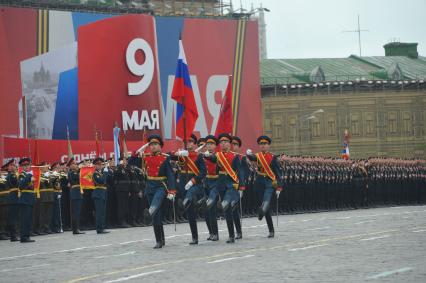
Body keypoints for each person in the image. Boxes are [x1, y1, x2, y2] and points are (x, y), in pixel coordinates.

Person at [204, 133, 245, 243]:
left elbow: (240, 171)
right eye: (221, 142)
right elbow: (212, 159)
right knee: (228, 211)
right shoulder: (217, 155)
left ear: (229, 143)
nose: (223, 144)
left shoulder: (235, 156)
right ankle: (232, 234)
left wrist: (241, 187)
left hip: (232, 185)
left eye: (226, 142)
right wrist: (206, 155)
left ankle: (235, 234)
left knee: (227, 205)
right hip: (221, 184)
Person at [141, 135, 176, 249]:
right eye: (151, 145)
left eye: (155, 144)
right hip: (150, 186)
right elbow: (132, 161)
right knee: (157, 215)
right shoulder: (145, 157)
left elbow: (170, 175)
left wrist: (172, 190)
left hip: (161, 186)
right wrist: (135, 154)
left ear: (160, 146)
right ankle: (160, 240)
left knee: (154, 206)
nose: (153, 146)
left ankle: (149, 213)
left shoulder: (166, 158)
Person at [171, 134, 206, 245]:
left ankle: (190, 203)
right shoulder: (182, 155)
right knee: (190, 214)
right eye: (187, 141)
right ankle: (194, 237)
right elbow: (168, 156)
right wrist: (176, 153)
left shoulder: (198, 156)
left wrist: (193, 181)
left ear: (194, 143)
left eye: (191, 142)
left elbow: (203, 172)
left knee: (189, 199)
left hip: (194, 184)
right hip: (182, 184)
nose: (189, 143)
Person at [246, 135, 283, 238]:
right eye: (261, 144)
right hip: (259, 182)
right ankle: (261, 212)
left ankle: (271, 230)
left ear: (268, 145)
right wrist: (248, 154)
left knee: (266, 203)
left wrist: (279, 187)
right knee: (261, 204)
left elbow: (278, 173)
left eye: (265, 144)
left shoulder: (273, 157)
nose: (263, 146)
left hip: (270, 182)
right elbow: (252, 157)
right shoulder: (257, 156)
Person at [18, 157, 36, 243]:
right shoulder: (22, 174)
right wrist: (29, 176)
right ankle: (23, 237)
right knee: (25, 219)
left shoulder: (30, 175)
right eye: (24, 165)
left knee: (28, 219)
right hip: (25, 199)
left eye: (28, 165)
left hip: (30, 199)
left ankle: (27, 235)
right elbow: (21, 185)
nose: (26, 167)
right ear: (22, 166)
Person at [92, 157, 109, 234]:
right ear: (95, 166)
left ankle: (102, 227)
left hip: (103, 193)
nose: (100, 166)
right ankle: (99, 229)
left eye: (101, 165)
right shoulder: (95, 174)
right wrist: (105, 173)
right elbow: (101, 181)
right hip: (98, 193)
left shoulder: (101, 173)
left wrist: (105, 172)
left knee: (103, 212)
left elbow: (106, 180)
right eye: (99, 165)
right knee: (99, 212)